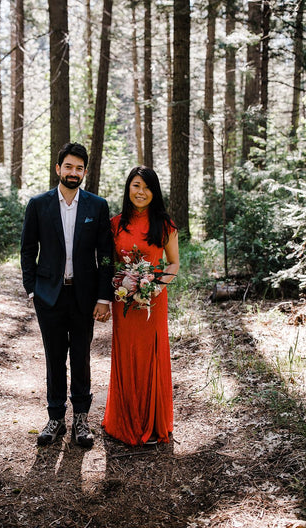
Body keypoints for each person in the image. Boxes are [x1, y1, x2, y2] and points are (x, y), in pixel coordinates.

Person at [21, 142, 114, 448]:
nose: (74, 172)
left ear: (85, 172)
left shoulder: (97, 206)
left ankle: (81, 419)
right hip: (50, 296)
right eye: (68, 166)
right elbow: (27, 250)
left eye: (79, 168)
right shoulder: (38, 204)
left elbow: (106, 255)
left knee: (81, 357)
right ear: (58, 168)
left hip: (85, 297)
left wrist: (104, 297)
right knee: (54, 357)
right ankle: (56, 417)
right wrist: (33, 289)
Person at [102, 166, 179, 446]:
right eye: (136, 185)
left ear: (154, 191)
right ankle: (124, 420)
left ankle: (152, 422)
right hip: (123, 300)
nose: (141, 192)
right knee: (127, 355)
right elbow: (109, 263)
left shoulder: (164, 224)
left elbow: (173, 263)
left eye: (147, 187)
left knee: (150, 356)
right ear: (128, 189)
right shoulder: (115, 224)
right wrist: (118, 286)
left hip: (153, 301)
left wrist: (155, 286)